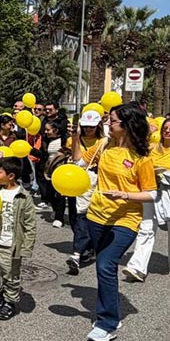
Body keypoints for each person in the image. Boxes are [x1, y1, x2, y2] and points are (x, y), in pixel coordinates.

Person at [74, 103, 156, 341]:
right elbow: (79, 161)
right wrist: (75, 135)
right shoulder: (104, 145)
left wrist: (125, 195)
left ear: (128, 125)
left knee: (106, 265)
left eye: (113, 121)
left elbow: (151, 193)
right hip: (97, 216)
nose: (108, 124)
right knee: (104, 266)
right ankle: (111, 309)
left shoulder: (142, 158)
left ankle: (107, 323)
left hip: (126, 220)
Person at [122, 114, 170, 283]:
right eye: (165, 129)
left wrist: (162, 174)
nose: (168, 132)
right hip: (151, 193)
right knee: (146, 229)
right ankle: (137, 268)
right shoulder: (152, 147)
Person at [0, 157, 37, 321]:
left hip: (10, 246)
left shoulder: (23, 197)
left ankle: (10, 302)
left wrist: (26, 248)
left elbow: (30, 224)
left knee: (11, 277)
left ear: (11, 176)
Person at [65, 111, 105, 274]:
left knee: (83, 215)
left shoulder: (103, 142)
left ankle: (77, 252)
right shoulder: (73, 139)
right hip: (72, 180)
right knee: (75, 216)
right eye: (86, 126)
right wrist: (76, 136)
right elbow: (74, 158)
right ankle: (87, 247)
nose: (89, 130)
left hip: (92, 181)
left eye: (92, 127)